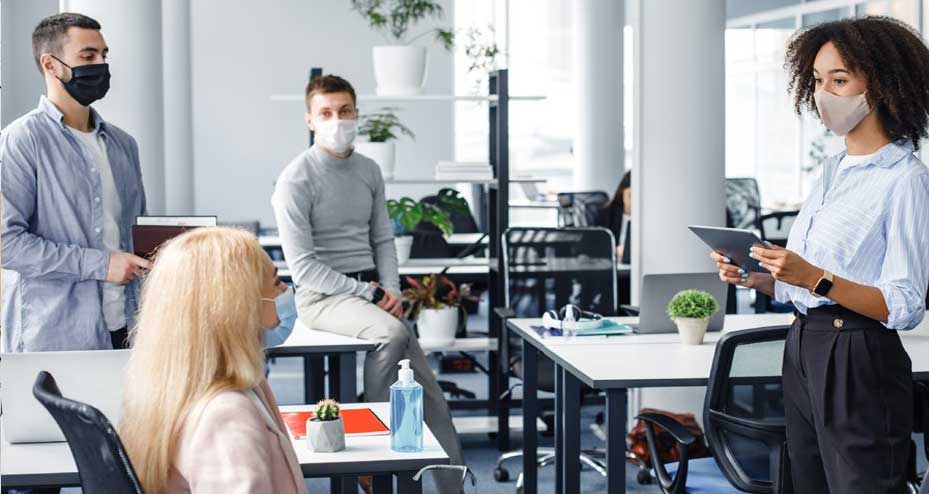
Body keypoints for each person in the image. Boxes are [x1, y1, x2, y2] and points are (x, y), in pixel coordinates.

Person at [712, 16, 929, 493]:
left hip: (857, 352)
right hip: (803, 343)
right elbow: (810, 284)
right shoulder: (831, 172)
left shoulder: (905, 179)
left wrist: (814, 277)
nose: (822, 93)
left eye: (839, 79)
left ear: (883, 85)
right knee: (805, 482)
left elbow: (904, 305)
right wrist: (761, 277)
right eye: (815, 79)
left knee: (861, 485)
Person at [271, 74, 465, 493]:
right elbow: (303, 268)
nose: (336, 120)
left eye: (344, 111)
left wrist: (391, 288)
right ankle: (378, 449)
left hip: (374, 293)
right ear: (310, 119)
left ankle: (453, 485)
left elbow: (382, 238)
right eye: (325, 113)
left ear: (356, 114)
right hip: (323, 297)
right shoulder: (294, 180)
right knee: (392, 335)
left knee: (427, 391)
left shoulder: (369, 170)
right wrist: (372, 293)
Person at [1, 12, 149, 352]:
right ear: (50, 65)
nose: (101, 64)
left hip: (127, 327)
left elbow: (136, 231)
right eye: (88, 56)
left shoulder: (123, 145)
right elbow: (6, 244)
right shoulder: (21, 141)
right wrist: (102, 264)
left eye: (104, 55)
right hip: (55, 335)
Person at [119, 227, 308, 494]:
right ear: (240, 305)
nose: (285, 290)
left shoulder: (170, 386)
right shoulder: (226, 418)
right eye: (276, 283)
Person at [598, 170, 631, 260]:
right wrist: (615, 250)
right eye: (631, 196)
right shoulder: (607, 214)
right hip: (613, 265)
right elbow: (594, 248)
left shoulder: (647, 218)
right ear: (622, 192)